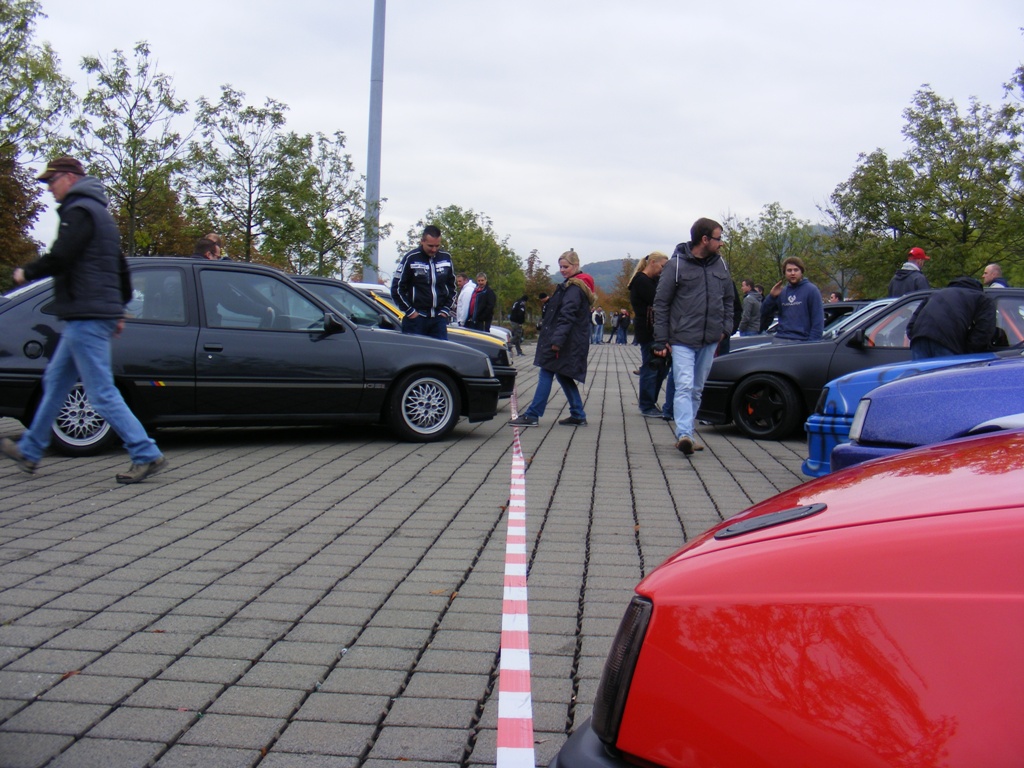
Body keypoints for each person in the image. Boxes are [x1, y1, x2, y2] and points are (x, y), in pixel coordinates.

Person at [1, 157, 167, 484]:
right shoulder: (100, 214)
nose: (49, 189)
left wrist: (27, 272)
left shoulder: (79, 211)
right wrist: (118, 309)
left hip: (87, 315)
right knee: (56, 382)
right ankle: (31, 450)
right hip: (90, 313)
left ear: (70, 177)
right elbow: (119, 266)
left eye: (52, 181)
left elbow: (62, 256)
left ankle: (145, 452)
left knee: (101, 391)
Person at [652, 218, 734, 456]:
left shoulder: (721, 265)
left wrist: (725, 329)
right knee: (685, 385)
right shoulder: (676, 266)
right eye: (718, 238)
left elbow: (729, 298)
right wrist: (661, 338)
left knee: (697, 388)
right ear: (705, 239)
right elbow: (661, 303)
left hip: (710, 337)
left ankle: (688, 431)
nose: (721, 243)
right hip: (682, 339)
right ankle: (684, 434)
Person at [509, 250, 595, 428]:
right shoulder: (574, 286)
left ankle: (533, 414)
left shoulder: (573, 288)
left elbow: (566, 316)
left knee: (546, 372)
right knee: (563, 375)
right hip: (568, 339)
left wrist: (557, 341)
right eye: (561, 267)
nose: (563, 270)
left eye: (566, 266)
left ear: (576, 265)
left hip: (563, 340)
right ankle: (578, 414)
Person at [391, 225, 457, 339]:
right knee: (414, 355)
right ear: (422, 241)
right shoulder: (411, 258)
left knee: (441, 355)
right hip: (416, 320)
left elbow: (452, 288)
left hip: (439, 320)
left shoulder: (446, 258)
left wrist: (446, 310)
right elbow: (396, 289)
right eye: (430, 246)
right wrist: (410, 312)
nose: (434, 249)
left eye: (437, 246)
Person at [907, 277, 996, 360]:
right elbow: (985, 328)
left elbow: (911, 324)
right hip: (948, 342)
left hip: (919, 339)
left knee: (921, 376)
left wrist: (915, 336)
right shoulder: (982, 298)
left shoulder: (936, 294)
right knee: (947, 376)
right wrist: (968, 351)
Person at [628, 251, 670, 417]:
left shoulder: (649, 281)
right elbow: (659, 300)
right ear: (652, 262)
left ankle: (649, 402)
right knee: (651, 366)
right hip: (648, 330)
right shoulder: (641, 281)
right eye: (662, 266)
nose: (663, 270)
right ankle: (646, 405)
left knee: (659, 368)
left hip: (652, 329)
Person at [761, 257, 824, 343]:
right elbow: (763, 312)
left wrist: (811, 344)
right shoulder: (781, 291)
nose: (793, 273)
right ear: (785, 273)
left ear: (801, 272)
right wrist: (771, 297)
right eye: (789, 270)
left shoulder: (811, 290)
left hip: (801, 340)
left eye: (796, 270)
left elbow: (818, 322)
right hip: (780, 339)